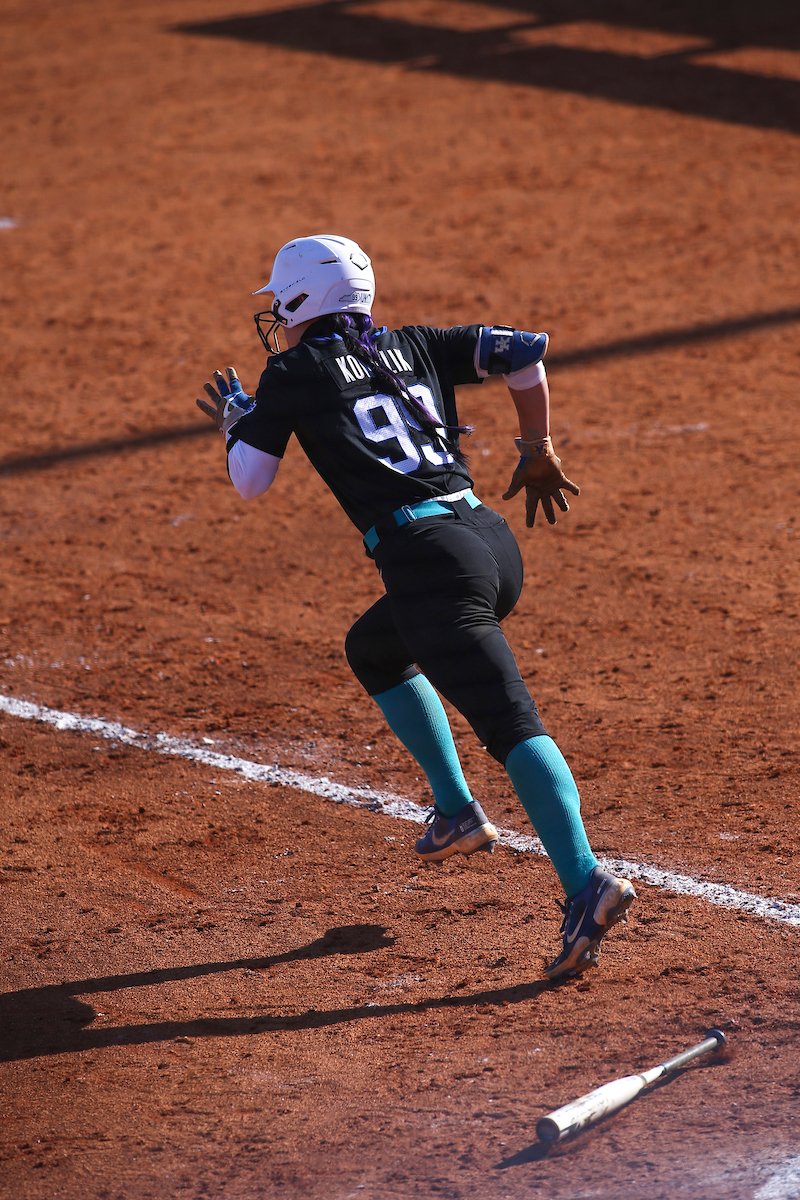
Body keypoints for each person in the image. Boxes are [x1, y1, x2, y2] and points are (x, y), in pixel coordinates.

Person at [196, 234, 635, 981]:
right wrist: (537, 444)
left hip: (431, 565)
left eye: (281, 304)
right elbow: (525, 351)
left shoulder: (292, 371)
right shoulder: (419, 344)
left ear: (302, 303)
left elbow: (250, 481)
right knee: (375, 649)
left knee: (510, 722)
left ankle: (586, 880)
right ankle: (456, 811)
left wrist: (239, 419)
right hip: (489, 546)